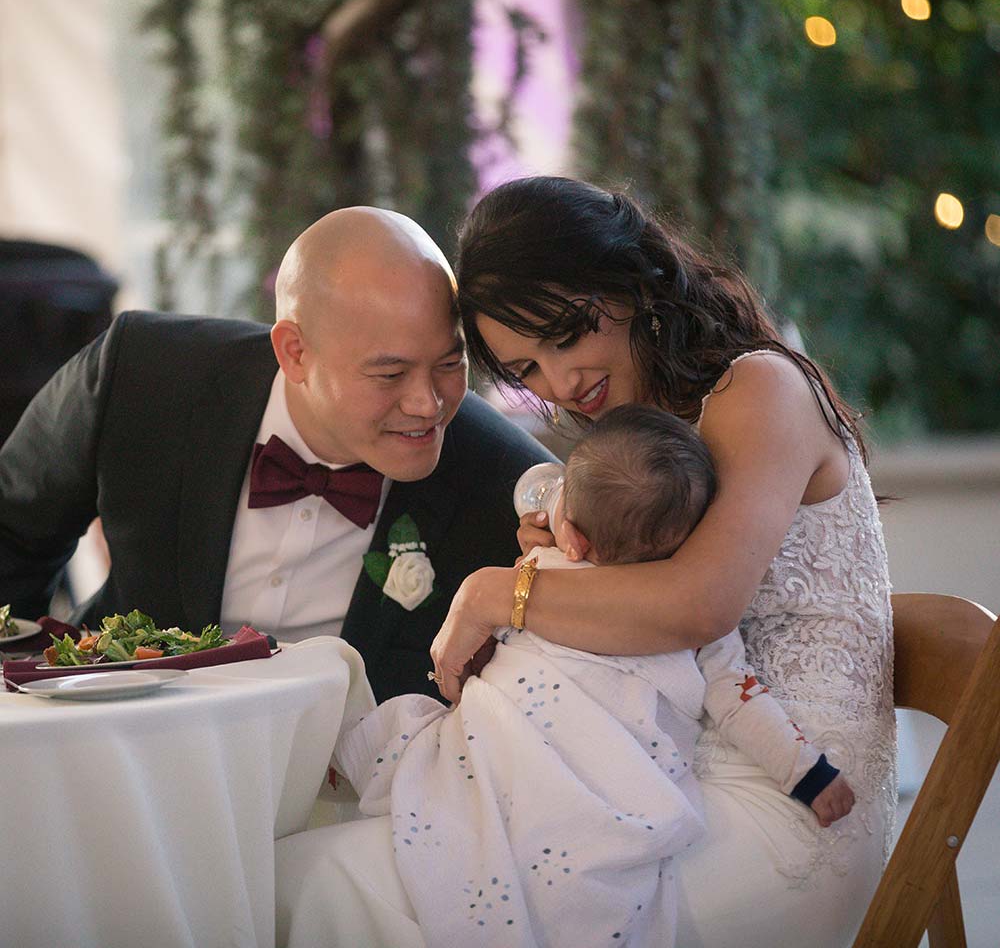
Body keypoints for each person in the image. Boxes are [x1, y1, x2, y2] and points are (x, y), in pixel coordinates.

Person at [276, 178, 895, 948]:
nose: (562, 384)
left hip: (792, 804)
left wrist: (503, 593)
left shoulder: (758, 387)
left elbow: (701, 608)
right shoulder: (647, 429)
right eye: (526, 369)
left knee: (323, 884)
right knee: (347, 853)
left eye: (566, 334)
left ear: (628, 277)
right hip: (653, 779)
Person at [282, 404, 854, 948]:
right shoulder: (695, 622)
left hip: (504, 748)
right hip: (601, 786)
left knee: (414, 732)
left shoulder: (544, 577)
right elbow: (741, 701)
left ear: (574, 537)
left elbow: (492, 631)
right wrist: (807, 773)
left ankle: (345, 771)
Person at [0, 207, 554, 701]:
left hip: (347, 791)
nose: (427, 402)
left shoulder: (503, 477)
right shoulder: (143, 376)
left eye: (449, 364)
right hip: (120, 743)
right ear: (295, 353)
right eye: (390, 373)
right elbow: (12, 529)